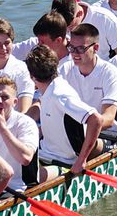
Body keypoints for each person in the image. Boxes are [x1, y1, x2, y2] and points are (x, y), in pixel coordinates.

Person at [25, 43, 102, 181]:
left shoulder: (59, 95)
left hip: (64, 163)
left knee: (27, 178)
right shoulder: (48, 90)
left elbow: (96, 119)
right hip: (44, 154)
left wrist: (81, 161)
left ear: (31, 76)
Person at [59, 23, 117, 133]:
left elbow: (109, 118)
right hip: (75, 131)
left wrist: (81, 129)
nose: (75, 53)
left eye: (81, 48)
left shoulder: (110, 73)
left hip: (107, 132)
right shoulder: (65, 69)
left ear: (96, 48)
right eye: (72, 48)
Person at [51, 0, 117, 56]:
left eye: (70, 27)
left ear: (80, 13)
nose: (67, 30)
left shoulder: (106, 20)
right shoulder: (54, 23)